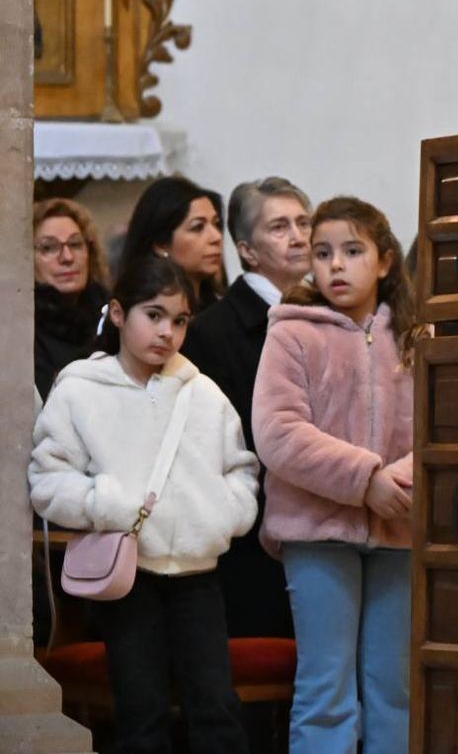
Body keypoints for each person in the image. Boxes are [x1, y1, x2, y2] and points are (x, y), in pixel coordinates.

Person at [29, 255, 259, 753]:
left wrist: (223, 515)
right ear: (118, 314)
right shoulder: (79, 389)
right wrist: (106, 503)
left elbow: (241, 469)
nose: (167, 332)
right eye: (153, 315)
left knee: (216, 709)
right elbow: (48, 481)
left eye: (179, 320)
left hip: (198, 576)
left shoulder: (205, 393)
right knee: (141, 713)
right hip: (128, 580)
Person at [252, 196, 417, 754]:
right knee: (327, 690)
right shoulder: (292, 332)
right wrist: (365, 477)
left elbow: (449, 427)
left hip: (399, 532)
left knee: (393, 689)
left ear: (386, 261)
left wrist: (402, 482)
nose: (336, 266)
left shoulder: (417, 336)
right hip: (317, 532)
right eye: (322, 254)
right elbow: (278, 431)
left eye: (352, 251)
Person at [184, 178, 312, 649]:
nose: (298, 237)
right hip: (254, 537)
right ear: (247, 250)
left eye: (303, 223)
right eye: (279, 227)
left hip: (320, 521)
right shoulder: (212, 333)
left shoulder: (327, 316)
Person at [33, 197, 110, 398]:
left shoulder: (111, 313)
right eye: (48, 248)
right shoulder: (21, 326)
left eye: (75, 244)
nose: (67, 257)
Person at [122, 175, 228, 314]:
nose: (217, 237)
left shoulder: (222, 309)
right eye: (198, 227)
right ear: (161, 245)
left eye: (216, 224)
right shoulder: (140, 316)